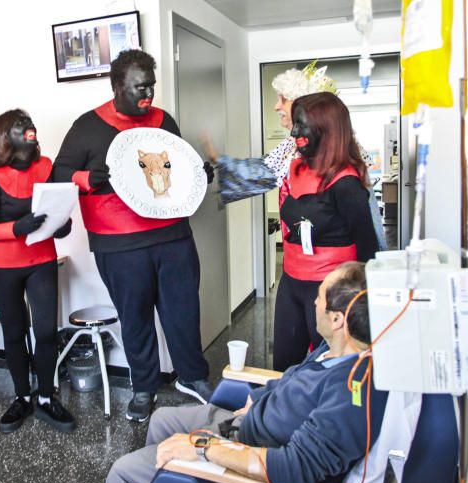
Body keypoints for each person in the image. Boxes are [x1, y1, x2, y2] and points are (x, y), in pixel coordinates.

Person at [79, 261, 387, 483]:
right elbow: (292, 382)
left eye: (320, 297)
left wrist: (204, 448)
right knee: (161, 420)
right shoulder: (332, 349)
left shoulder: (352, 391)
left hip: (252, 468)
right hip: (246, 423)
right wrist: (258, 398)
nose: (314, 302)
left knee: (122, 475)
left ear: (338, 319)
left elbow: (293, 467)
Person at [52, 49, 215, 423]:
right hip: (119, 243)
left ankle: (192, 376)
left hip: (173, 234)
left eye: (151, 86)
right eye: (139, 87)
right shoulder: (87, 127)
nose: (147, 95)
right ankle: (144, 387)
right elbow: (59, 176)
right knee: (135, 317)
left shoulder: (163, 121)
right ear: (116, 87)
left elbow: (176, 167)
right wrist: (84, 179)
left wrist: (196, 173)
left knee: (183, 311)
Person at [205, 62, 387, 248]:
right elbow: (265, 170)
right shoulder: (294, 145)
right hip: (301, 258)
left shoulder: (340, 151)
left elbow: (366, 225)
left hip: (336, 260)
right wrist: (220, 161)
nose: (276, 106)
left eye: (282, 99)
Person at [0, 109, 75, 434]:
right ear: (4, 138)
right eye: (21, 126)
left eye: (30, 123)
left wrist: (62, 225)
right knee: (14, 333)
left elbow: (59, 211)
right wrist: (17, 227)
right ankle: (20, 397)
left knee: (45, 332)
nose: (29, 128)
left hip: (41, 260)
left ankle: (45, 397)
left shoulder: (46, 167)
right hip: (3, 267)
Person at [269, 92, 380, 370]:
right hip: (291, 284)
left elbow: (369, 250)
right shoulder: (293, 170)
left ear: (326, 129)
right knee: (284, 362)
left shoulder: (347, 184)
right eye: (294, 123)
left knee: (327, 368)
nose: (294, 132)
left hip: (331, 290)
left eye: (301, 125)